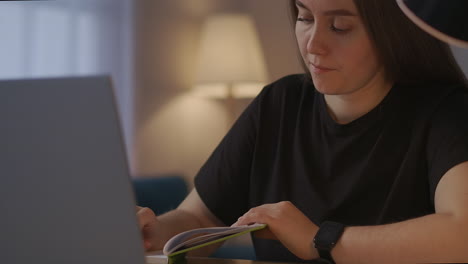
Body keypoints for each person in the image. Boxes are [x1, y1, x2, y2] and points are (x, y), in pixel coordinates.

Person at [137, 0, 468, 263]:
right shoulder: (279, 103)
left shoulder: (448, 110)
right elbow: (200, 220)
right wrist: (154, 233)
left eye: (339, 27)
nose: (314, 45)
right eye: (305, 17)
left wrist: (319, 241)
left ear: (393, 33)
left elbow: (461, 232)